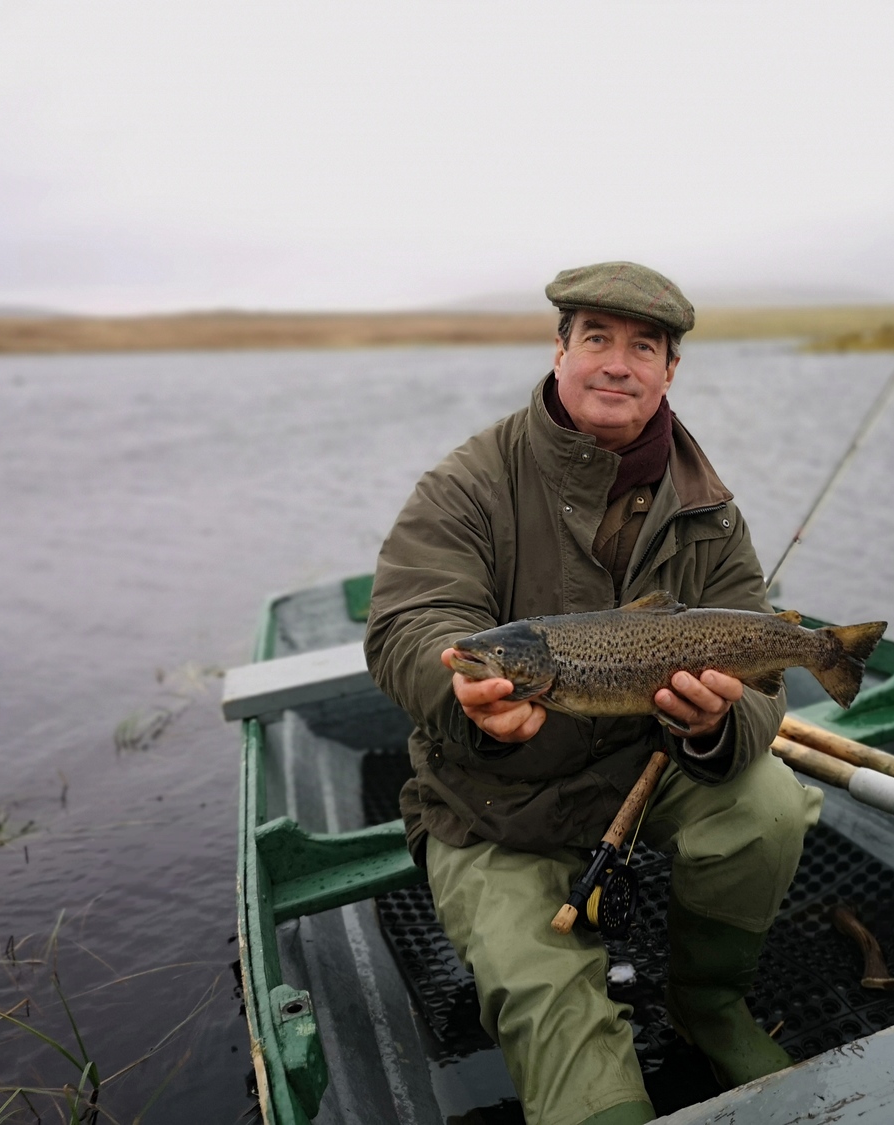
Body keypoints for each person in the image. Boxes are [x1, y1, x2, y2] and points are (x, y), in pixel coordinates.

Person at [365, 261, 822, 1125]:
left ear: (669, 370)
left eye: (642, 346)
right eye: (597, 339)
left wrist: (720, 722)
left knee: (767, 804)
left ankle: (708, 1001)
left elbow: (758, 670)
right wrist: (466, 695)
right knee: (586, 1091)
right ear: (560, 349)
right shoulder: (468, 481)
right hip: (490, 800)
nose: (618, 363)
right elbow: (411, 623)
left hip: (643, 771)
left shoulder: (709, 510)